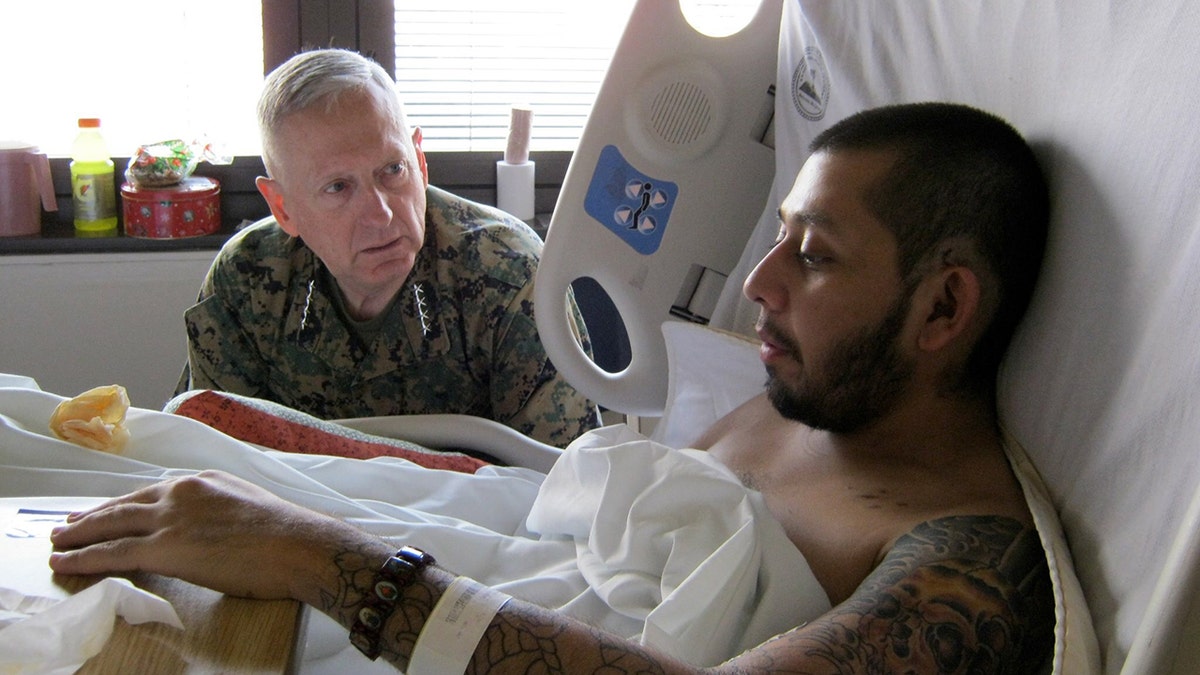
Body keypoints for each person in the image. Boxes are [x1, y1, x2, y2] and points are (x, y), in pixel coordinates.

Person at [50, 101, 1055, 672]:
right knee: (91, 446)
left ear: (941, 309)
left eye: (818, 255)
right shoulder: (817, 395)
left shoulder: (962, 563)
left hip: (395, 612)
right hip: (490, 552)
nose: (762, 281)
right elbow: (570, 514)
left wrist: (314, 554)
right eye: (781, 234)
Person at [174, 48, 600, 449]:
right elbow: (212, 465)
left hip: (470, 524)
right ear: (284, 208)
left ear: (420, 159)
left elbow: (565, 485)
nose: (380, 214)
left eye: (393, 170)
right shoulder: (246, 279)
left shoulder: (508, 273)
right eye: (338, 187)